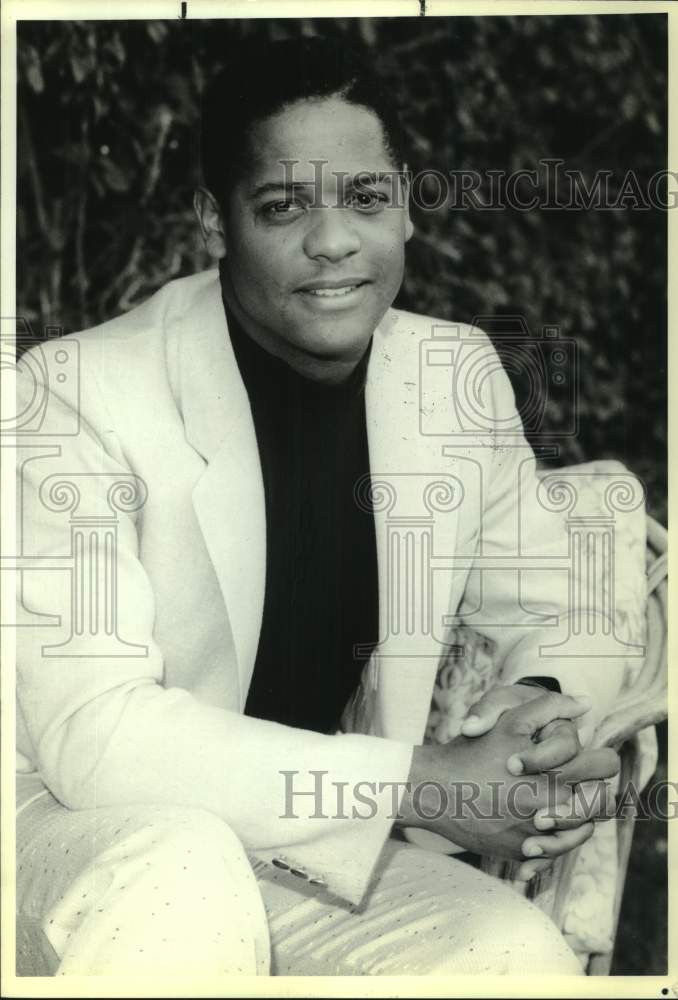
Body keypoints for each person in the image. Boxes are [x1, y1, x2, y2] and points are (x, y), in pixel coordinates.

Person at [15, 35, 622, 977]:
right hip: (77, 831)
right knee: (183, 880)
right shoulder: (77, 389)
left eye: (366, 200)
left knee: (508, 953)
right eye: (283, 206)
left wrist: (536, 711)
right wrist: (428, 787)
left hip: (302, 840)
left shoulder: (450, 371)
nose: (333, 241)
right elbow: (98, 740)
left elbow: (556, 602)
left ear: (408, 207)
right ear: (215, 224)